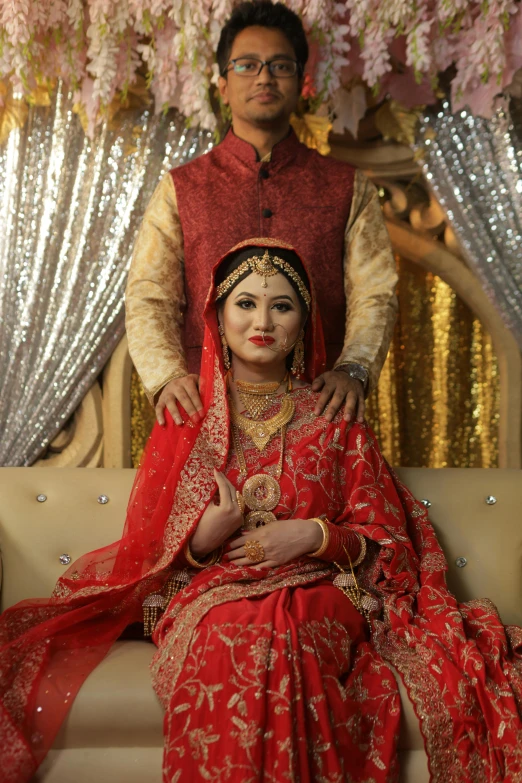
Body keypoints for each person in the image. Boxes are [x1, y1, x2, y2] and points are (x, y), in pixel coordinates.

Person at [1, 239, 521, 783]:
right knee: (242, 630)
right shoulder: (190, 419)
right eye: (245, 303)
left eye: (282, 305)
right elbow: (153, 552)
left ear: (303, 321)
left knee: (287, 629)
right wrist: (203, 540)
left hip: (321, 591)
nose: (263, 320)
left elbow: (387, 541)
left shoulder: (333, 416)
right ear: (218, 317)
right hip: (213, 593)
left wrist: (311, 536)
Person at [125, 0, 398, 434]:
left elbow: (375, 293)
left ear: (301, 82)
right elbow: (149, 296)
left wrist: (355, 370)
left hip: (321, 413)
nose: (265, 77)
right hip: (203, 412)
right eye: (248, 64)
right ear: (222, 82)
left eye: (280, 66)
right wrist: (167, 378)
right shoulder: (181, 187)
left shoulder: (346, 186)